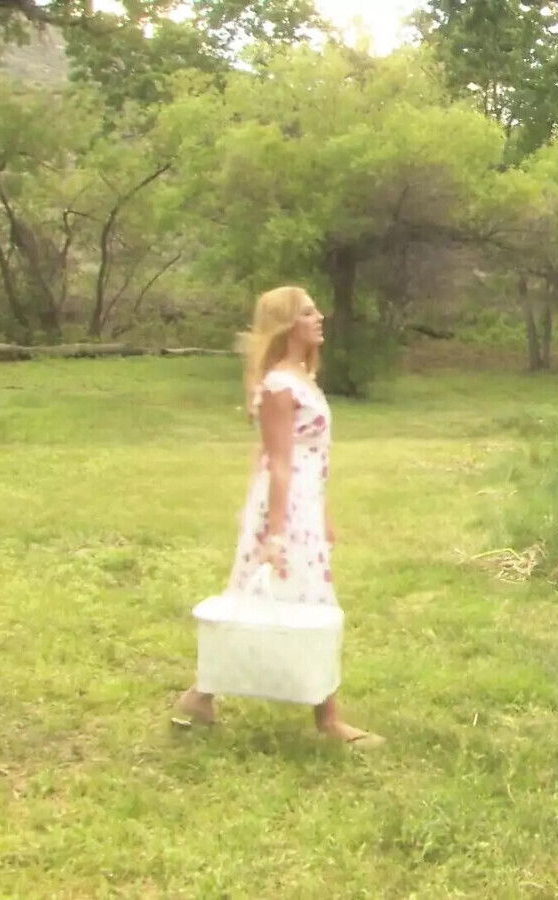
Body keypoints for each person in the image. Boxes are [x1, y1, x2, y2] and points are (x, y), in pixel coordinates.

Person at [172, 285, 383, 748]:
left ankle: (200, 697)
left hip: (303, 504)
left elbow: (312, 457)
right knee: (296, 599)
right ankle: (327, 717)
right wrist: (273, 533)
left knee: (268, 598)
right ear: (289, 325)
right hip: (284, 510)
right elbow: (277, 461)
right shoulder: (278, 387)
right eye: (309, 313)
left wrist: (322, 513)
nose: (320, 317)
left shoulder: (301, 379)